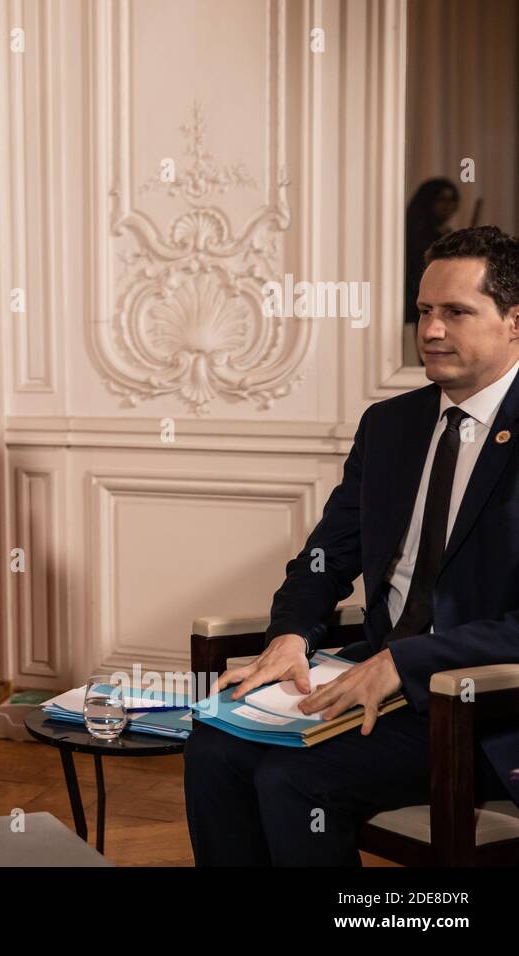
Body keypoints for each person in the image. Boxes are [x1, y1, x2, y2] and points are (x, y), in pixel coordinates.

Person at [185, 226, 519, 865]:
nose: (432, 331)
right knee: (212, 749)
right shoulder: (392, 425)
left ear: (513, 321)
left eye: (456, 312)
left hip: (481, 709)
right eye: (424, 311)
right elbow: (324, 558)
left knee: (293, 780)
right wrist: (291, 637)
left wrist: (406, 663)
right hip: (371, 676)